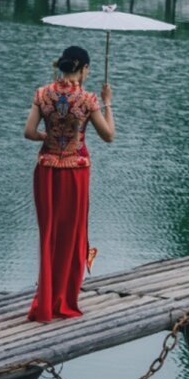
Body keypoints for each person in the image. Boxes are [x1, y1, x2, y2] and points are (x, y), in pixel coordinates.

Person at [24, 45, 115, 322]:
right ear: (84, 69)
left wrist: (49, 138)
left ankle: (45, 302)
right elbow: (109, 136)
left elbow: (29, 132)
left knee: (49, 234)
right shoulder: (88, 100)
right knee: (71, 236)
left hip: (47, 171)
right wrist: (107, 101)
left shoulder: (43, 94)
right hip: (75, 173)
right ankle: (64, 300)